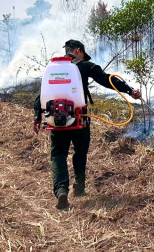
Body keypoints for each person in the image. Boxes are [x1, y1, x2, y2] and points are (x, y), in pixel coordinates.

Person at [33, 39, 141, 210]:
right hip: (79, 118)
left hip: (55, 119)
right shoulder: (83, 65)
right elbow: (107, 79)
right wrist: (129, 90)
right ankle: (79, 188)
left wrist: (37, 117)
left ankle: (61, 191)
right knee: (80, 152)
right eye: (82, 53)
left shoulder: (53, 68)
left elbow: (43, 94)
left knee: (58, 155)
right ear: (78, 50)